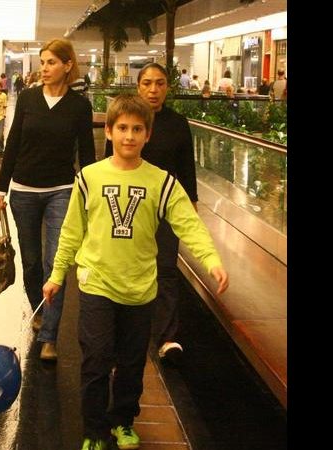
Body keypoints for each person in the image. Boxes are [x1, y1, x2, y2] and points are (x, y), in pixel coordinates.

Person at [43, 94, 228, 450]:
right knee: (95, 361)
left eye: (137, 129)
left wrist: (211, 260)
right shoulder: (88, 178)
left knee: (130, 364)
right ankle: (94, 430)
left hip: (141, 289)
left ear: (148, 135)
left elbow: (188, 224)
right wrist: (56, 274)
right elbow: (71, 231)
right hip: (96, 284)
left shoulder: (162, 182)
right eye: (122, 128)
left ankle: (123, 420)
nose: (129, 135)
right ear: (109, 132)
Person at [0, 38, 95, 361]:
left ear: (68, 65)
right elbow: (13, 143)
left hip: (61, 191)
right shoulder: (27, 99)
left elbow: (88, 155)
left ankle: (50, 335)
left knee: (56, 263)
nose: (45, 68)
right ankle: (38, 309)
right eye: (43, 62)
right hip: (23, 191)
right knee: (33, 261)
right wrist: (1, 187)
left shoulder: (79, 106)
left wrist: (92, 194)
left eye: (52, 62)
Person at [102, 62, 199, 363]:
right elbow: (109, 164)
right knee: (129, 267)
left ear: (167, 87)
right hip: (129, 209)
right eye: (147, 83)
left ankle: (167, 337)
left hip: (166, 210)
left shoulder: (178, 123)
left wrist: (190, 205)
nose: (153, 89)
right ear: (138, 86)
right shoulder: (128, 122)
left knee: (166, 270)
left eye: (159, 83)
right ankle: (126, 328)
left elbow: (186, 169)